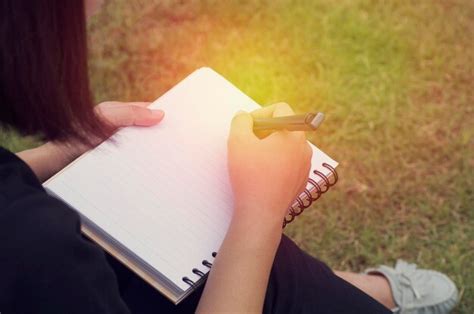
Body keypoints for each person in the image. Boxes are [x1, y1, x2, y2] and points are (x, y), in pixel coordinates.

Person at [0, 0, 458, 313]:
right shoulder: (41, 254)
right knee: (246, 248)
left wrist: (62, 151)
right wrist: (260, 212)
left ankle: (343, 291)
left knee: (260, 266)